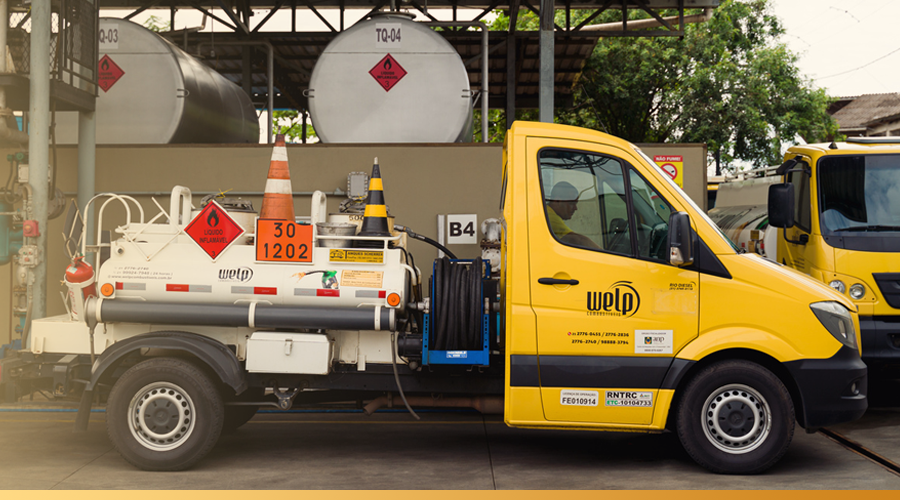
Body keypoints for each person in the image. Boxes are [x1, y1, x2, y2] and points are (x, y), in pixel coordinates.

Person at [545, 181, 600, 249]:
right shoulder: (549, 217)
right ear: (557, 200)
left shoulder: (547, 212)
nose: (575, 208)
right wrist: (605, 255)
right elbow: (578, 240)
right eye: (571, 203)